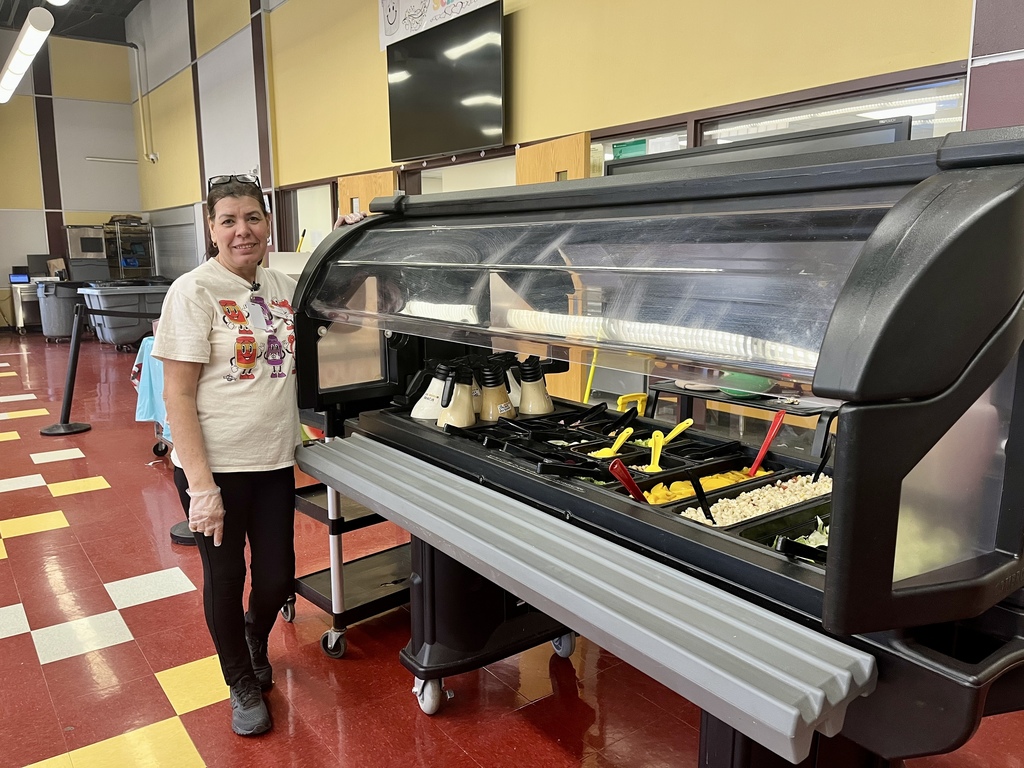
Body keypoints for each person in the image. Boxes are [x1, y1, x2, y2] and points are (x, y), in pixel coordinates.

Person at [152, 174, 300, 737]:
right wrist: (203, 488)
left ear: (267, 222)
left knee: (276, 578)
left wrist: (347, 233)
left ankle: (253, 638)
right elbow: (178, 395)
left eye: (253, 218)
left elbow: (334, 281)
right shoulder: (194, 292)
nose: (244, 230)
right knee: (224, 573)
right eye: (229, 220)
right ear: (212, 230)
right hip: (214, 468)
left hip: (273, 461)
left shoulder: (280, 285)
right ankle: (240, 679)